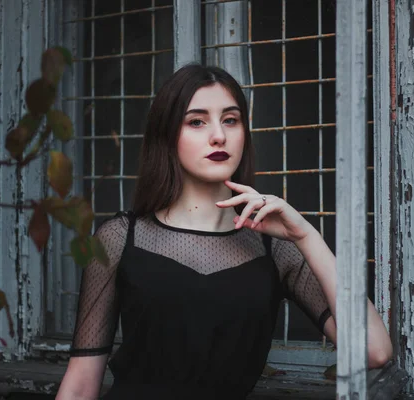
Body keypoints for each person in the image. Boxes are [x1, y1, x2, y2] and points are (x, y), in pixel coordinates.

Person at [56, 65, 392, 400]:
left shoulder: (273, 249)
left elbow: (373, 350)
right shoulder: (120, 239)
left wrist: (306, 235)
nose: (219, 135)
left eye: (230, 120)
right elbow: (80, 386)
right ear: (167, 135)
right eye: (197, 121)